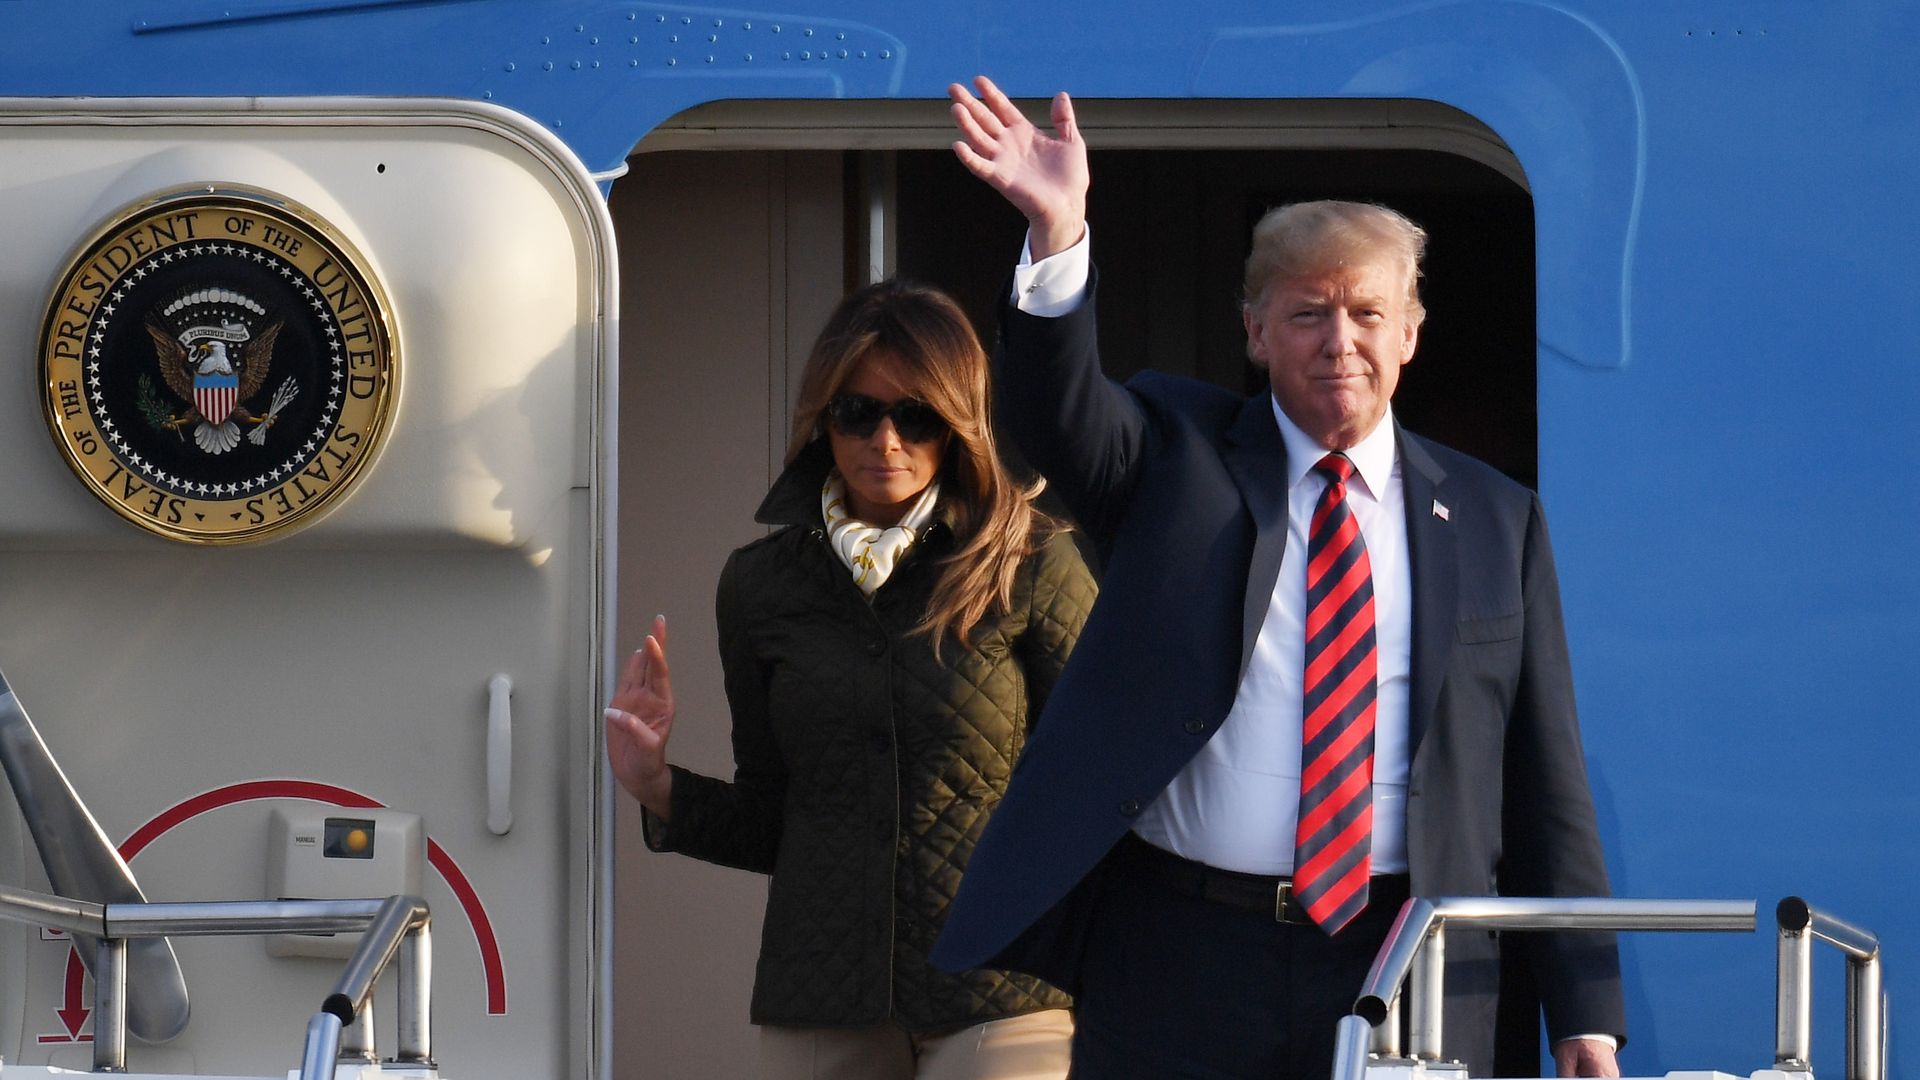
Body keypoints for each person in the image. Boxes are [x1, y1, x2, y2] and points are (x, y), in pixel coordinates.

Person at [931, 76, 1626, 1079]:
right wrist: (1058, 234)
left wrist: (1586, 1015)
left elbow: (1544, 780)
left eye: (1366, 312)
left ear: (1409, 333)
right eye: (1307, 314)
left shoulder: (1495, 519)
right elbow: (1060, 416)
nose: (1340, 341)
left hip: (1405, 960)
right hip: (1181, 955)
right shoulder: (1176, 458)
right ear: (1256, 334)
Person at [605, 278, 1095, 1080]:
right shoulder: (760, 584)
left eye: (917, 415)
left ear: (958, 422)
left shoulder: (1030, 560)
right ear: (823, 420)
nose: (886, 439)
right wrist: (655, 784)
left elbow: (1101, 776)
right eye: (858, 412)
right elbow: (772, 818)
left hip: (1004, 986)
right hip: (824, 995)